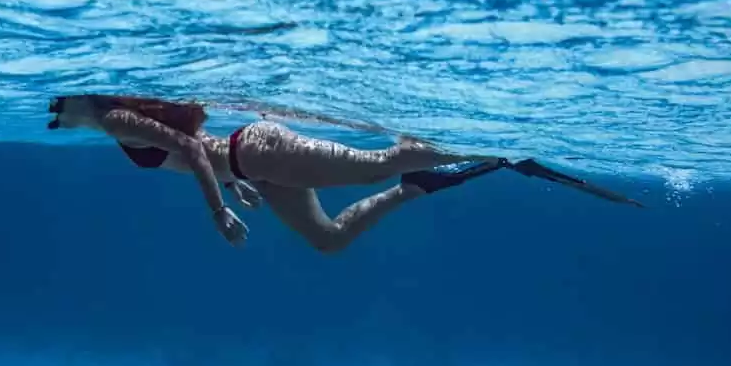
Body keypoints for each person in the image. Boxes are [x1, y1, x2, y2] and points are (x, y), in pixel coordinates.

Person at [47, 94, 642, 253]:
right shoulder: (110, 122)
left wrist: (217, 207)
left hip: (257, 150)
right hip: (254, 167)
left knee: (372, 166)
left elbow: (191, 150)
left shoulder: (118, 119)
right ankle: (422, 184)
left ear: (82, 99)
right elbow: (195, 150)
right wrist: (233, 185)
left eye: (58, 110)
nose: (55, 117)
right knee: (327, 240)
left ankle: (499, 146)